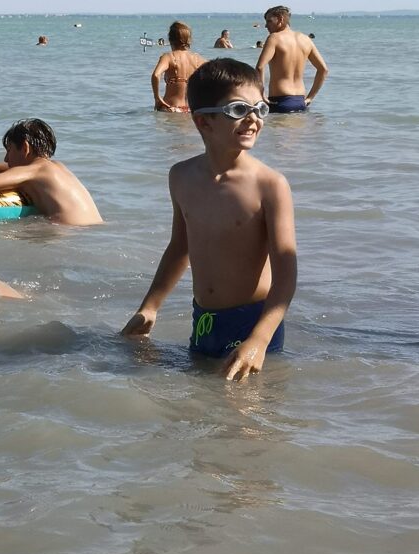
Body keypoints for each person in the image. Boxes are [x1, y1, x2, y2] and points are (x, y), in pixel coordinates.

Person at [122, 58, 297, 380]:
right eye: (238, 110)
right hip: (203, 318)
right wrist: (150, 307)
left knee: (246, 406)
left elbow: (286, 275)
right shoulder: (181, 176)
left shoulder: (270, 185)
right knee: (198, 401)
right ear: (203, 122)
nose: (253, 119)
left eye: (260, 108)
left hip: (253, 321)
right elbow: (179, 248)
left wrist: (259, 340)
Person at [255, 5, 328, 113]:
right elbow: (323, 69)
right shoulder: (306, 39)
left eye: (269, 21)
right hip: (301, 101)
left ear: (280, 19)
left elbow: (260, 67)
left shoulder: (274, 38)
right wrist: (310, 98)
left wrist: (261, 94)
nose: (266, 26)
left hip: (279, 102)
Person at [151, 21, 206, 113]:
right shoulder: (199, 59)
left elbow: (156, 75)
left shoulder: (168, 57)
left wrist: (157, 97)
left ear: (170, 39)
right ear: (189, 39)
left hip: (170, 108)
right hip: (190, 110)